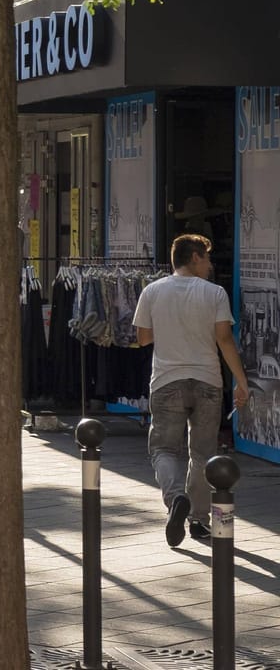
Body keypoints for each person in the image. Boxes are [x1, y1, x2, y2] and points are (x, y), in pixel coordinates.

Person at [133, 233, 251, 547]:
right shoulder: (215, 293)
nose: (211, 265)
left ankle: (175, 500)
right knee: (203, 454)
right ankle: (199, 520)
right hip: (208, 381)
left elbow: (143, 338)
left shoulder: (152, 291)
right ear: (195, 257)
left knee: (163, 449)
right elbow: (224, 340)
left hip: (167, 380)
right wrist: (241, 382)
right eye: (208, 258)